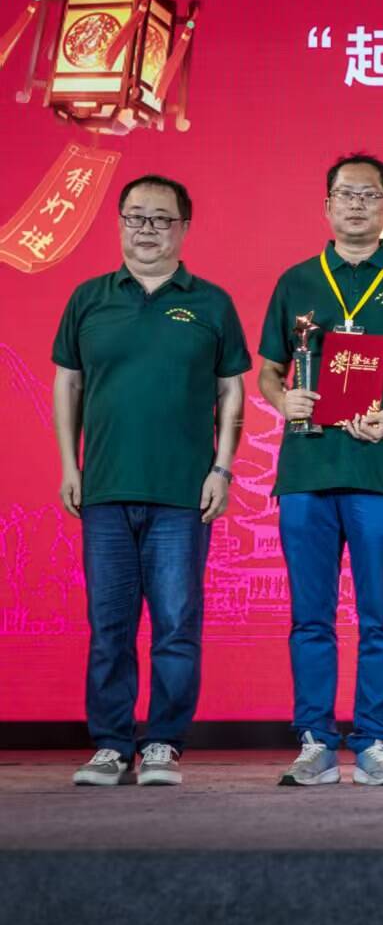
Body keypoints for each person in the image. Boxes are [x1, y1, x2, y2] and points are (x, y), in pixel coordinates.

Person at [256, 154, 383, 787]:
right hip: (307, 470)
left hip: (380, 470)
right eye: (345, 194)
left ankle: (373, 739)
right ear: (326, 206)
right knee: (310, 615)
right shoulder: (296, 282)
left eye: (369, 196)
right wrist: (282, 398)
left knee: (380, 615)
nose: (356, 205)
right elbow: (268, 370)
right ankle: (315, 741)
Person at [55, 175, 249, 787]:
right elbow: (69, 383)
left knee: (176, 624)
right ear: (119, 223)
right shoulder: (89, 299)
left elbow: (231, 390)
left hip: (182, 494)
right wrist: (69, 466)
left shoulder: (211, 303)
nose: (147, 229)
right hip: (105, 489)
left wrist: (221, 467)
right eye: (136, 216)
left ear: (183, 228)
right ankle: (111, 745)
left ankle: (164, 741)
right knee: (109, 626)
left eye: (161, 219)